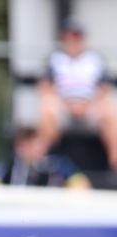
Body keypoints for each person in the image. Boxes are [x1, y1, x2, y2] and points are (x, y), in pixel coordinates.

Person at [38, 18, 117, 169]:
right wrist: (66, 104)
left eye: (77, 36)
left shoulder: (95, 59)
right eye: (69, 36)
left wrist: (87, 105)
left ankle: (114, 162)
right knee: (48, 109)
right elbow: (44, 86)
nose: (73, 40)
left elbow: (105, 87)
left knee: (110, 113)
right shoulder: (55, 59)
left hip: (91, 105)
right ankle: (43, 160)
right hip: (63, 106)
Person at [0, 126, 91, 189]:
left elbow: (81, 184)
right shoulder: (9, 164)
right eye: (27, 145)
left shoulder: (57, 164)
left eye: (37, 144)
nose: (35, 149)